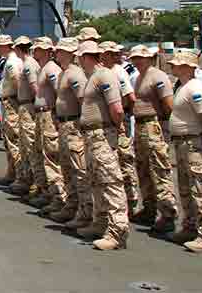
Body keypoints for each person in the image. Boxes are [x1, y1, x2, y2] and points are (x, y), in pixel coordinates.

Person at [77, 41, 129, 251]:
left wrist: (117, 129)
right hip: (92, 136)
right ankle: (100, 223)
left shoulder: (104, 75)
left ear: (84, 57)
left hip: (102, 135)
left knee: (110, 182)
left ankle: (118, 231)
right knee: (97, 181)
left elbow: (117, 109)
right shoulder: (93, 77)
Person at [167, 49, 202, 253]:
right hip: (183, 144)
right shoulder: (183, 86)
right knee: (186, 189)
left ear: (188, 67)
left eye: (177, 64)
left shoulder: (196, 88)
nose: (173, 66)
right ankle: (190, 227)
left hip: (195, 144)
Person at [127, 44, 177, 233]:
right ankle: (149, 209)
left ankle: (168, 213)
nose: (137, 60)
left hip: (153, 124)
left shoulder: (158, 76)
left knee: (159, 170)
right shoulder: (139, 77)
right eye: (135, 58)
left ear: (149, 58)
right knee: (143, 169)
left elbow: (169, 105)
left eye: (141, 57)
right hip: (140, 125)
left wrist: (164, 127)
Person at [50, 38, 93, 228]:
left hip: (74, 125)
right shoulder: (64, 73)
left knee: (79, 170)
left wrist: (81, 125)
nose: (56, 54)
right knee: (67, 169)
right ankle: (72, 206)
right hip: (63, 125)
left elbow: (83, 101)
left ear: (68, 53)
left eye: (59, 51)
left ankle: (85, 212)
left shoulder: (75, 74)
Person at [100, 41, 140, 216]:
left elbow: (130, 98)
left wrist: (121, 114)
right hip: (112, 121)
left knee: (124, 161)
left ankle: (131, 202)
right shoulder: (106, 72)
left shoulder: (117, 72)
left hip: (119, 121)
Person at [32, 37, 65, 213]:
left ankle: (59, 197)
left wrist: (56, 114)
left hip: (48, 115)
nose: (34, 51)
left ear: (46, 51)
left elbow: (59, 91)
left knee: (51, 157)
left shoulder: (51, 69)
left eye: (37, 48)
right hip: (40, 115)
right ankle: (46, 193)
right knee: (41, 153)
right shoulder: (43, 68)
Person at [10, 36, 41, 196]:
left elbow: (35, 88)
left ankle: (37, 183)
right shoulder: (26, 64)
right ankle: (27, 179)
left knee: (30, 146)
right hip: (25, 106)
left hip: (28, 107)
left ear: (18, 48)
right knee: (24, 145)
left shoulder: (28, 65)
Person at [0, 35, 21, 184]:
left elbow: (16, 81)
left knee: (13, 140)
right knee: (9, 139)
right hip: (9, 101)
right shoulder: (9, 60)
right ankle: (12, 172)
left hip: (11, 102)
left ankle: (18, 175)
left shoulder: (11, 62)